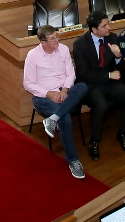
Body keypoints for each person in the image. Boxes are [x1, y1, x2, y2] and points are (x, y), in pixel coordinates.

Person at [72, 11, 125, 160]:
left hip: (110, 82)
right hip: (92, 84)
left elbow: (121, 66)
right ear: (94, 30)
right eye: (104, 26)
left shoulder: (112, 38)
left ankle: (123, 133)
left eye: (107, 24)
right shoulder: (80, 45)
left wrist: (118, 56)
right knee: (101, 106)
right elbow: (84, 73)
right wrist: (108, 75)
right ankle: (94, 141)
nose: (108, 28)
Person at [24, 25, 89, 179]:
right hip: (43, 97)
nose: (57, 40)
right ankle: (73, 160)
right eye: (53, 39)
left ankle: (53, 120)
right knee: (65, 118)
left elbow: (70, 73)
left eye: (57, 36)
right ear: (43, 42)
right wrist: (49, 94)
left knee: (82, 87)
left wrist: (65, 91)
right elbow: (28, 84)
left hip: (64, 93)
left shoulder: (64, 50)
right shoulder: (33, 56)